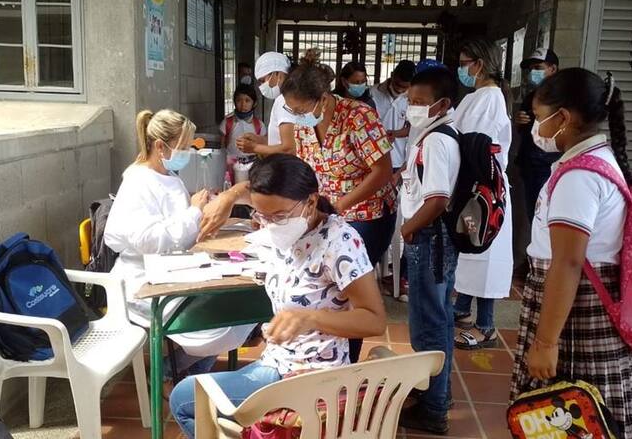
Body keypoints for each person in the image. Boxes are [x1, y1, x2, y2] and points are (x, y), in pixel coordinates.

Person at [169, 154, 387, 438]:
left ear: (310, 201)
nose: (270, 225)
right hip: (278, 361)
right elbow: (255, 193)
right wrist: (230, 197)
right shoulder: (286, 227)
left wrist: (311, 317)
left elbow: (374, 321)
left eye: (279, 216)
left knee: (184, 399)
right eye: (261, 216)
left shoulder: (339, 243)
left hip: (308, 374)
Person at [509, 68, 632, 438]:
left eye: (542, 118)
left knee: (571, 411)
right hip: (583, 302)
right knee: (592, 417)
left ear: (565, 118)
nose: (537, 129)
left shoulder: (579, 177)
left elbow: (568, 262)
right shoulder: (597, 160)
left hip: (575, 312)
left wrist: (545, 343)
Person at [104, 109, 254, 375]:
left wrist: (202, 206)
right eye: (184, 147)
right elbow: (147, 240)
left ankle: (184, 370)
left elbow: (174, 223)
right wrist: (194, 212)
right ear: (161, 146)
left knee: (237, 313)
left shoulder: (168, 176)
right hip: (143, 280)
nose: (188, 153)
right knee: (218, 326)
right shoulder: (138, 181)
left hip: (174, 270)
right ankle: (172, 371)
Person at [281, 59, 396, 363]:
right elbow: (307, 169)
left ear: (322, 99)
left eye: (301, 111)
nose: (296, 117)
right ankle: (319, 357)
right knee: (323, 287)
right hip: (328, 211)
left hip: (366, 213)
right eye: (291, 111)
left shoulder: (358, 116)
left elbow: (382, 171)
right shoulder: (304, 126)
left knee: (350, 293)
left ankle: (347, 365)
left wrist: (340, 206)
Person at [396, 63, 460, 434]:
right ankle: (439, 392)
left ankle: (434, 408)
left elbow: (437, 200)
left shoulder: (436, 140)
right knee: (439, 318)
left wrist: (408, 227)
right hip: (431, 237)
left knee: (428, 324)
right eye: (410, 100)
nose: (412, 108)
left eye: (420, 102)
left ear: (443, 103)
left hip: (429, 237)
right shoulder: (434, 132)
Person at [450, 39, 514, 350]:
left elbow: (473, 145)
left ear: (480, 64)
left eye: (465, 63)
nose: (462, 69)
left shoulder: (490, 99)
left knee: (485, 255)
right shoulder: (477, 96)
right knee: (471, 252)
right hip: (472, 187)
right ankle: (462, 307)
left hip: (485, 192)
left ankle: (486, 324)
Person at [514, 48, 560, 220]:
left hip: (548, 165)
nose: (533, 72)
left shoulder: (562, 97)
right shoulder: (532, 96)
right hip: (529, 164)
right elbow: (525, 129)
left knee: (545, 216)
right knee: (532, 214)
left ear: (552, 69)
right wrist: (520, 122)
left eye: (538, 68)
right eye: (531, 68)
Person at [236, 52, 297, 156]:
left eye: (262, 80)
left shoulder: (285, 100)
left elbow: (289, 148)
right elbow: (277, 142)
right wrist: (259, 140)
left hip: (288, 166)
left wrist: (254, 147)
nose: (261, 86)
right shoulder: (282, 98)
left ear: (277, 73)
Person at [370, 60, 416, 173]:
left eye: (404, 87)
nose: (400, 89)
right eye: (397, 84)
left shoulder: (413, 99)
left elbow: (415, 127)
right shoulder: (372, 93)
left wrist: (395, 134)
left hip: (398, 159)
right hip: (373, 157)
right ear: (392, 75)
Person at [219, 84, 266, 161]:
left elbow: (263, 148)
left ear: (254, 103)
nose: (243, 104)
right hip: (231, 163)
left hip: (253, 164)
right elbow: (222, 147)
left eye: (247, 100)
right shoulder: (227, 123)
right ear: (234, 102)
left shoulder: (259, 125)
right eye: (239, 100)